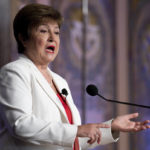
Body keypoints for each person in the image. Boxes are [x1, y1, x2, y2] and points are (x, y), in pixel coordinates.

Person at [0, 3, 149, 150]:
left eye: (57, 32)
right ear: (23, 38)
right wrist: (77, 130)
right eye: (44, 31)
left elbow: (73, 141)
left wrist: (111, 128)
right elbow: (20, 125)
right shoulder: (14, 72)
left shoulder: (60, 82)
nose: (52, 38)